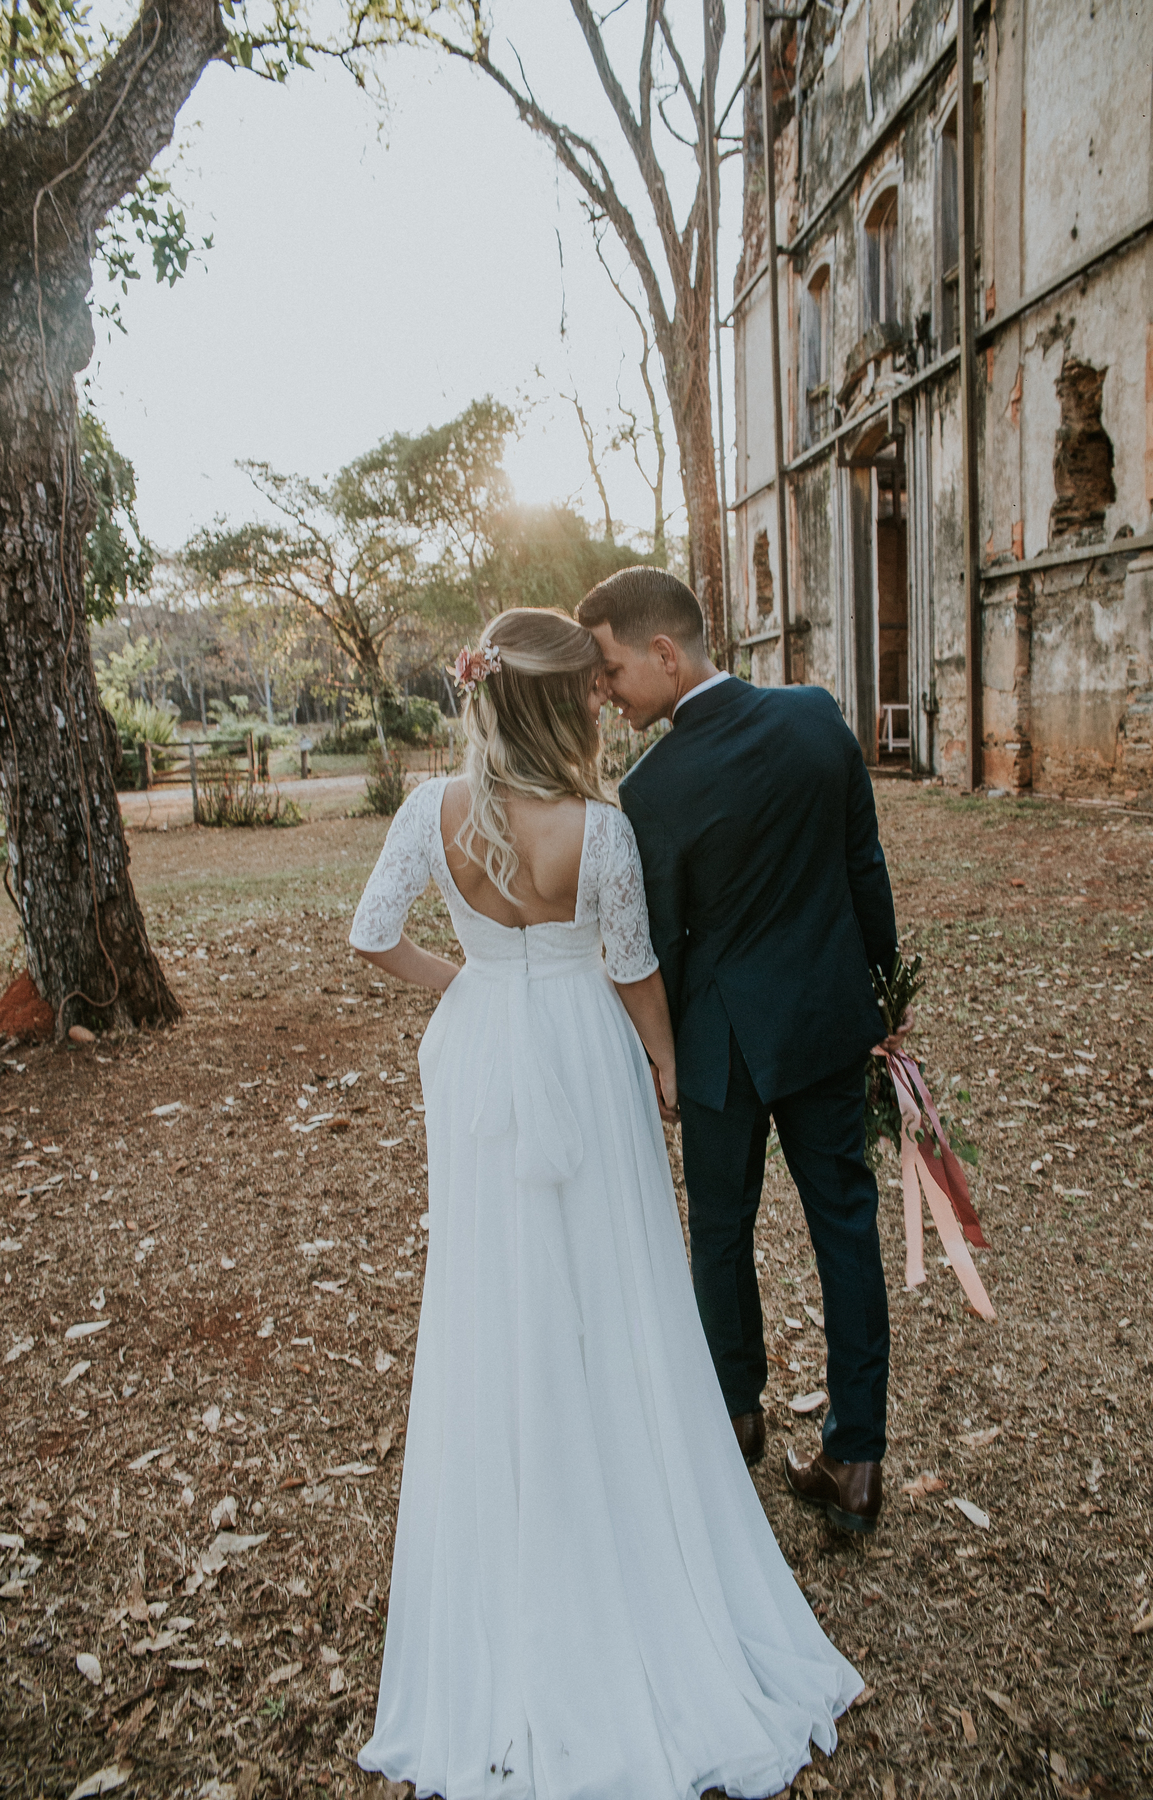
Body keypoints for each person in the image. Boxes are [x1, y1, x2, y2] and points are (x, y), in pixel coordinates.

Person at [350, 608, 861, 1800]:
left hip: (481, 1052)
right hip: (583, 1051)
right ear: (556, 704)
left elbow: (373, 939)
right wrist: (674, 1069)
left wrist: (468, 983)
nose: (600, 705)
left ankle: (520, 1504)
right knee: (616, 1275)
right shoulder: (600, 829)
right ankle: (621, 1488)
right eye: (585, 693)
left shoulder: (431, 810)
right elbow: (632, 971)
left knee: (492, 1284)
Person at [577, 570, 907, 1537]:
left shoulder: (652, 789)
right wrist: (885, 998)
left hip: (721, 1050)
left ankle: (734, 1418)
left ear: (665, 655)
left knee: (720, 1234)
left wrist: (663, 1056)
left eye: (611, 670)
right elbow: (863, 866)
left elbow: (662, 942)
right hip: (824, 1027)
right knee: (844, 1228)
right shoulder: (817, 718)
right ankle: (856, 1459)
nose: (607, 693)